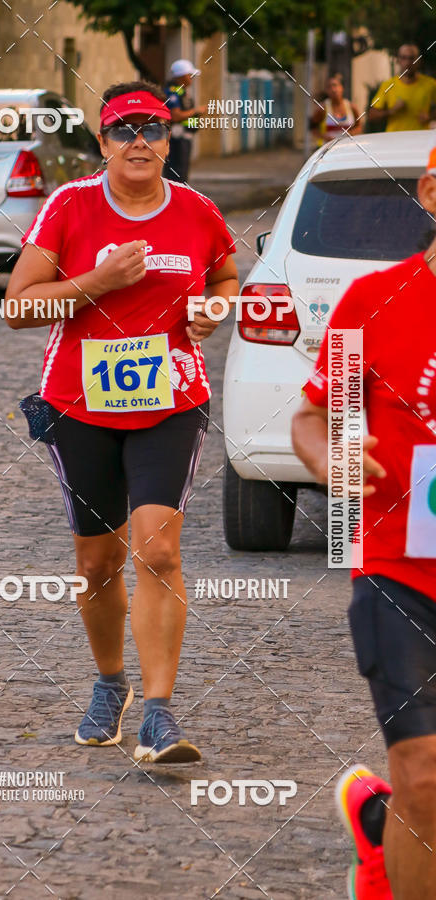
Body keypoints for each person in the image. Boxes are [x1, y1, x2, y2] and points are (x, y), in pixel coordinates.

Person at [4, 80, 238, 763]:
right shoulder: (71, 207)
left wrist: (214, 312)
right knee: (98, 560)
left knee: (158, 550)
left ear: (169, 142)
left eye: (154, 129)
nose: (141, 140)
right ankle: (112, 684)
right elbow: (19, 306)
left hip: (170, 401)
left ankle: (160, 714)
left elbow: (225, 278)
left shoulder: (195, 210)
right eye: (125, 129)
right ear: (102, 144)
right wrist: (94, 285)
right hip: (80, 405)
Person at [291, 146, 436, 898]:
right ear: (430, 190)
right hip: (397, 571)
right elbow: (318, 419)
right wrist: (334, 460)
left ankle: (382, 830)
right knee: (425, 773)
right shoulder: (372, 302)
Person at [369, 43, 436, 132]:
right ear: (398, 60)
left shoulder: (430, 84)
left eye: (411, 58)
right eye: (403, 58)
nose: (408, 62)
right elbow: (372, 115)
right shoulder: (388, 85)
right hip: (395, 140)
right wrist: (391, 111)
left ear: (418, 60)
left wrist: (429, 116)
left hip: (421, 140)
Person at [162, 59, 206, 183]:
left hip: (184, 138)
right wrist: (196, 111)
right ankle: (175, 199)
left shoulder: (182, 91)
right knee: (176, 173)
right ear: (181, 76)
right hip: (177, 139)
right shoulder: (173, 92)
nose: (192, 78)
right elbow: (175, 116)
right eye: (190, 75)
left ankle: (181, 197)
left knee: (182, 173)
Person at [311, 73, 362, 145]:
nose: (333, 89)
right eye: (329, 87)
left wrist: (351, 133)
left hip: (348, 147)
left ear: (341, 87)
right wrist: (325, 137)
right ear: (326, 91)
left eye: (335, 85)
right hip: (328, 150)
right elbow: (312, 128)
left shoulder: (351, 107)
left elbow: (359, 126)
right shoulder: (322, 108)